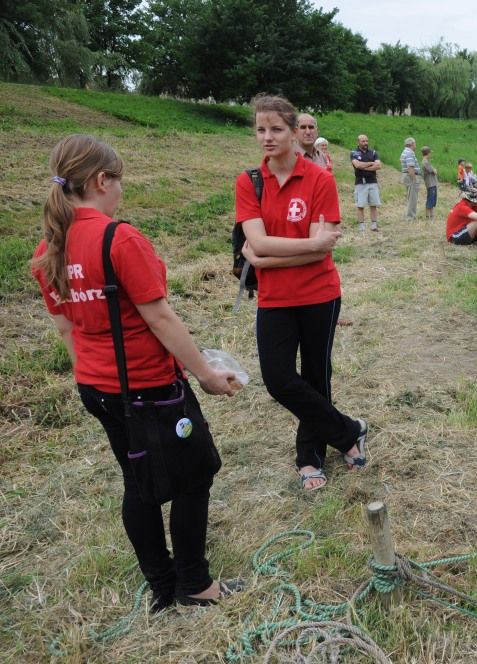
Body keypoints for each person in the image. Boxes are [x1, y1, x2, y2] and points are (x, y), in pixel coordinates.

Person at [31, 134, 242, 610]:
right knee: (194, 476)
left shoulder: (51, 248)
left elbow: (67, 329)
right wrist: (205, 373)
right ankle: (194, 583)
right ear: (101, 180)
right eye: (119, 181)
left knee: (138, 480)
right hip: (150, 388)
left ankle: (161, 585)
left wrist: (94, 375)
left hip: (98, 389)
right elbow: (160, 317)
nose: (121, 191)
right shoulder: (118, 238)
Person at [235, 94, 367, 492]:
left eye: (276, 129)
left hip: (319, 295)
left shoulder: (319, 180)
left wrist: (265, 258)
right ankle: (348, 432)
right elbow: (258, 240)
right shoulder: (248, 182)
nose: (267, 137)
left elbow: (269, 249)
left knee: (315, 374)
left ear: (295, 133)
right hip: (274, 299)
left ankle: (309, 456)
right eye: (261, 129)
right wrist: (309, 247)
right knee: (277, 378)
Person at [350, 134, 382, 232]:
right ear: (358, 142)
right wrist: (371, 163)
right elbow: (357, 165)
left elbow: (379, 165)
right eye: (363, 141)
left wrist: (365, 167)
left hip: (373, 182)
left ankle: (374, 225)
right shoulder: (354, 153)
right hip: (360, 182)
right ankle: (362, 226)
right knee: (361, 205)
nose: (365, 143)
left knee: (373, 204)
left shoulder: (373, 152)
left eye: (366, 141)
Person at [400, 137, 420, 222]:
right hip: (410, 176)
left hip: (408, 176)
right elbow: (410, 168)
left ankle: (410, 216)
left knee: (411, 197)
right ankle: (410, 217)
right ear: (412, 144)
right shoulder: (409, 153)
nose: (415, 145)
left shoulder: (405, 152)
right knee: (412, 198)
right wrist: (414, 179)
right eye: (415, 144)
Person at [421, 146, 438, 220]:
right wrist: (434, 170)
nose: (431, 154)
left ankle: (431, 215)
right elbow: (434, 171)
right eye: (430, 153)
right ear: (427, 153)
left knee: (432, 199)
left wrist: (434, 170)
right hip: (430, 183)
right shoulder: (425, 162)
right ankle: (428, 216)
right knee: (430, 199)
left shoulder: (426, 162)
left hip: (432, 183)